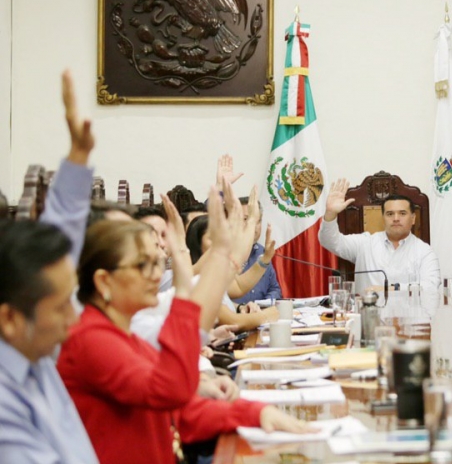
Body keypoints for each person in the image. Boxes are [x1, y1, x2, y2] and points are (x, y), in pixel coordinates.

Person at [57, 189, 314, 464]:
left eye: (155, 262)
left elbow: (181, 412)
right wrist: (217, 257)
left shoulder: (123, 336)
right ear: (104, 282)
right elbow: (170, 391)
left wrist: (256, 413)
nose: (156, 274)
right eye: (142, 264)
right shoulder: (89, 339)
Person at [0, 70, 99, 463]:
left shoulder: (31, 346)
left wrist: (78, 157)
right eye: (61, 308)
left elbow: (58, 248)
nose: (74, 320)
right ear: (9, 319)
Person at [319, 178, 441, 310]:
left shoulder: (424, 251)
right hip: (368, 321)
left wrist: (389, 289)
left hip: (409, 322)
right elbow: (331, 242)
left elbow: (431, 287)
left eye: (402, 213)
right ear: (383, 218)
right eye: (390, 214)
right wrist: (330, 214)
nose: (395, 218)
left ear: (413, 219)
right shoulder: (365, 244)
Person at [230, 197, 282, 305]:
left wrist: (262, 305)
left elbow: (274, 290)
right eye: (247, 219)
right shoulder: (224, 253)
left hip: (261, 317)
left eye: (258, 221)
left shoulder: (263, 252)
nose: (254, 226)